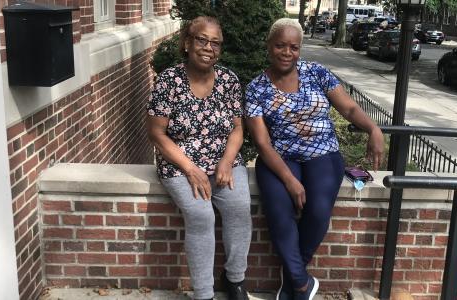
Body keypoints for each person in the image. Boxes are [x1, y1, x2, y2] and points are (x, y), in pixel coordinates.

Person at [244, 18, 385, 300]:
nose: (287, 52)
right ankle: (302, 283)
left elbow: (349, 108)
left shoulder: (317, 73)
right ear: (269, 46)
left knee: (319, 210)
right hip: (279, 158)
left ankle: (292, 281)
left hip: (323, 153)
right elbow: (262, 142)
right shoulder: (255, 88)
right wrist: (290, 181)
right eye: (280, 45)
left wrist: (373, 128)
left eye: (293, 47)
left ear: (300, 49)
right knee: (279, 213)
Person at [146, 16, 251, 300]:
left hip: (223, 160)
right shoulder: (170, 80)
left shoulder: (228, 80)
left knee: (240, 207)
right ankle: (204, 293)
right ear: (187, 43)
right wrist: (191, 168)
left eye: (215, 43)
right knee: (201, 215)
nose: (208, 47)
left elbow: (238, 129)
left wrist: (227, 162)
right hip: (180, 164)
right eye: (201, 40)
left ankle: (235, 280)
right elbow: (157, 134)